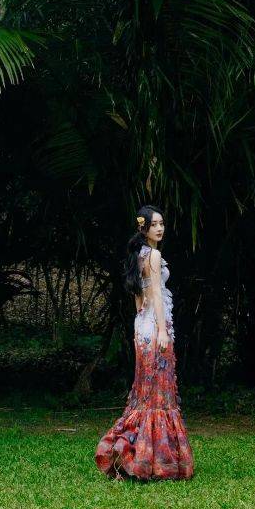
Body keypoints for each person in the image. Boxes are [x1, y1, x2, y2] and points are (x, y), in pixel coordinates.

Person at [94, 204, 195, 480]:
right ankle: (151, 460)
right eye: (155, 225)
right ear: (144, 228)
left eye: (162, 223)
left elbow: (139, 298)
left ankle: (134, 455)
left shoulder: (138, 255)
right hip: (154, 326)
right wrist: (162, 330)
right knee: (157, 394)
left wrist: (146, 322)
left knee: (145, 392)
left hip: (142, 325)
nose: (160, 228)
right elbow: (156, 297)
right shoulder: (153, 255)